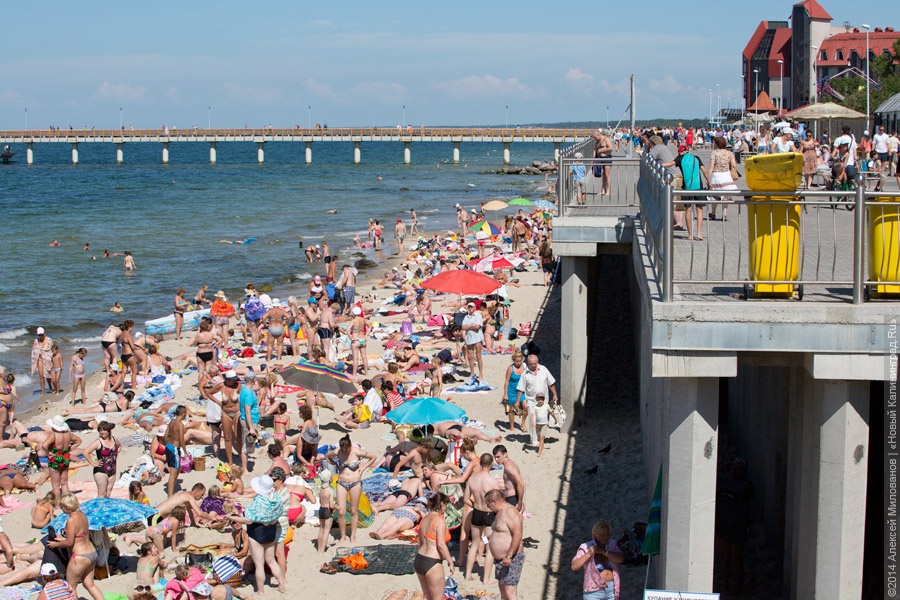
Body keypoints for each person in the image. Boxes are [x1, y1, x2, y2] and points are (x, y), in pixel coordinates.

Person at [226, 475, 286, 594]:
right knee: (271, 561)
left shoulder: (259, 501)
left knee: (259, 564)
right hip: (271, 530)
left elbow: (248, 520)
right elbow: (279, 513)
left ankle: (261, 590)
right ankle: (282, 584)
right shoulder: (277, 498)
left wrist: (231, 517)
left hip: (257, 532)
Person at [47, 493, 104, 600]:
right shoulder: (82, 515)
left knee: (71, 587)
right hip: (91, 552)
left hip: (80, 556)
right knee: (90, 585)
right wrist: (63, 539)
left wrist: (56, 544)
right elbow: (79, 536)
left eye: (62, 506)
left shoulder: (71, 520)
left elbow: (69, 543)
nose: (61, 509)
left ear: (67, 507)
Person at [326, 435, 376, 542]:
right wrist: (336, 465)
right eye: (343, 450)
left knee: (354, 510)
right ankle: (343, 535)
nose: (344, 452)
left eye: (346, 450)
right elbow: (327, 456)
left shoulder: (357, 452)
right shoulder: (337, 452)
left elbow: (373, 457)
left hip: (355, 482)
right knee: (341, 511)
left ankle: (353, 535)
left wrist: (363, 468)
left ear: (349, 446)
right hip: (341, 482)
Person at [464, 453, 504, 582]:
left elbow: (466, 499)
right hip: (488, 514)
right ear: (491, 464)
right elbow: (498, 502)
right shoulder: (493, 482)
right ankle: (486, 578)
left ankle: (468, 574)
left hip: (477, 512)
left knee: (475, 544)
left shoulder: (472, 479)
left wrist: (475, 505)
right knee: (489, 547)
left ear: (480, 463)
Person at [715, 457, 753, 593]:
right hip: (722, 525)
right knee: (723, 556)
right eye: (733, 468)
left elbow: (747, 506)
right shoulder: (723, 483)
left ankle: (737, 587)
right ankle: (724, 584)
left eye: (737, 469)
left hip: (737, 528)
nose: (734, 471)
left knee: (736, 557)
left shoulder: (746, 486)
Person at [486, 489, 525, 600]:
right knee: (503, 589)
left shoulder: (510, 512)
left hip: (511, 558)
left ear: (494, 501)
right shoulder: (499, 513)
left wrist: (509, 555)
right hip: (501, 560)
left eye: (488, 504)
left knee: (510, 592)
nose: (488, 507)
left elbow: (517, 534)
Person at [414, 493, 454, 600]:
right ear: (441, 504)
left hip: (419, 559)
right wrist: (450, 561)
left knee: (427, 596)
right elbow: (441, 545)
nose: (446, 509)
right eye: (446, 505)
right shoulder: (439, 521)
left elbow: (420, 542)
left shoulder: (424, 519)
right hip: (432, 562)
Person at [571, 519, 625, 600]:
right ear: (594, 534)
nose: (605, 537)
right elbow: (574, 566)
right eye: (602, 535)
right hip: (593, 590)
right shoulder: (585, 547)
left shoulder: (612, 544)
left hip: (612, 588)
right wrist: (589, 554)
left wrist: (604, 552)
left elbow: (620, 559)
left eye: (607, 534)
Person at [515, 353, 558, 448]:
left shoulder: (544, 370)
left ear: (537, 362)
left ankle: (540, 437)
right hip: (531, 402)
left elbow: (551, 383)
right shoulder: (525, 374)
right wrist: (518, 401)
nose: (533, 365)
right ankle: (534, 440)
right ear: (528, 364)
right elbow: (520, 388)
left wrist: (555, 394)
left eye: (535, 363)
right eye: (531, 364)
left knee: (542, 420)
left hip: (544, 401)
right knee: (533, 421)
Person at [42, 416, 81, 505]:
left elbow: (44, 445)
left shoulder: (54, 435)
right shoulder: (68, 434)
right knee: (64, 483)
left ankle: (56, 505)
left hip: (55, 458)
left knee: (55, 485)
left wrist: (48, 453)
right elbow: (78, 441)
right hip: (65, 457)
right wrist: (69, 449)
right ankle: (67, 503)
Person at [674, 145, 708, 242]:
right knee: (699, 210)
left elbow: (669, 164)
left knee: (688, 209)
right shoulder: (696, 158)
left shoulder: (680, 158)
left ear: (680, 152)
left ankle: (689, 234)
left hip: (687, 187)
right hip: (698, 187)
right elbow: (704, 171)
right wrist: (709, 181)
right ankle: (699, 233)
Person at [83, 420, 121, 498]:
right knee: (101, 494)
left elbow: (119, 446)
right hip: (101, 470)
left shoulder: (114, 439)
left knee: (108, 493)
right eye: (100, 430)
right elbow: (86, 452)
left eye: (104, 430)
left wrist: (115, 455)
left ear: (109, 431)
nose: (102, 432)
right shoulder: (98, 442)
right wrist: (93, 463)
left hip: (112, 470)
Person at [707, 136, 739, 221]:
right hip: (726, 175)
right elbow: (734, 165)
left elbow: (711, 166)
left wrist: (708, 179)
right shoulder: (729, 153)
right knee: (726, 195)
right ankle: (724, 214)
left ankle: (713, 213)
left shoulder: (714, 153)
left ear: (717, 144)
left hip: (716, 174)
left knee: (715, 195)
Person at [492, 445, 526, 512]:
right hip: (511, 498)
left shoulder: (509, 467)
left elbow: (521, 483)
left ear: (505, 454)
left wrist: (520, 503)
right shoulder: (508, 465)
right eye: (495, 458)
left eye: (498, 457)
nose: (496, 460)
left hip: (513, 499)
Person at [461, 302, 484, 381]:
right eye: (469, 307)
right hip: (469, 338)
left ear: (474, 308)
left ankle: (481, 373)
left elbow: (477, 326)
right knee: (470, 356)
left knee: (478, 356)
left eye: (471, 307)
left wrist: (468, 327)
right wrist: (471, 326)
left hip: (477, 337)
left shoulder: (478, 315)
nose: (470, 308)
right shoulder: (466, 317)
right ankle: (472, 373)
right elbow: (463, 327)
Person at [316, 469, 336, 555]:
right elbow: (331, 505)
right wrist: (337, 507)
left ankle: (319, 548)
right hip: (327, 510)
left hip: (321, 509)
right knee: (326, 531)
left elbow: (320, 501)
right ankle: (322, 551)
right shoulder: (330, 491)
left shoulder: (321, 489)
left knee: (321, 529)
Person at [31, 327, 53, 395]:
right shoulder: (36, 341)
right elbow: (34, 351)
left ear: (44, 334)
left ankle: (50, 386)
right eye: (39, 335)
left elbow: (50, 350)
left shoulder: (49, 340)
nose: (40, 336)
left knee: (48, 375)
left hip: (47, 359)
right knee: (41, 376)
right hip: (39, 359)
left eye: (42, 334)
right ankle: (43, 391)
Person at [592, 130, 614, 196]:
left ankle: (608, 191)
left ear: (598, 135)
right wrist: (593, 159)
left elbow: (610, 148)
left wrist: (601, 150)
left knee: (607, 174)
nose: (595, 139)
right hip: (600, 159)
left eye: (595, 137)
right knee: (603, 175)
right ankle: (603, 190)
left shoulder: (605, 139)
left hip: (607, 157)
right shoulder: (597, 141)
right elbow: (595, 150)